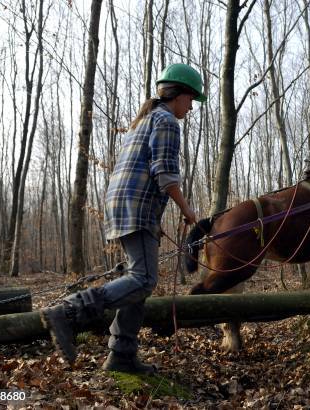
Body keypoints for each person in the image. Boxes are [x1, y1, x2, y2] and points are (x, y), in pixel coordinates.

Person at [40, 63, 206, 374]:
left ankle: (122, 355)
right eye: (191, 99)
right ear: (179, 95)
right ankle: (70, 311)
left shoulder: (142, 121)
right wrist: (188, 211)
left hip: (121, 205)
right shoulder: (167, 121)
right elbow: (166, 176)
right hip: (137, 207)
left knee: (137, 282)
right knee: (143, 280)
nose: (191, 107)